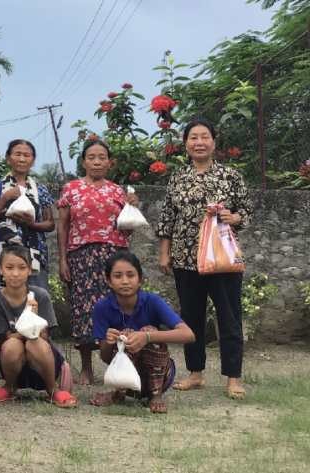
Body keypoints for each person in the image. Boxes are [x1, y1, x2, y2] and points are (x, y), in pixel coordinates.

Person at [156, 118, 252, 400]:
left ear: (213, 141)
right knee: (191, 318)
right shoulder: (178, 178)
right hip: (186, 260)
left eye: (204, 137)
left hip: (222, 259)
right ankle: (195, 373)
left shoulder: (231, 176)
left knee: (229, 317)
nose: (199, 142)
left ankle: (233, 377)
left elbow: (246, 211)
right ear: (185, 144)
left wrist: (234, 217)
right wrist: (165, 252)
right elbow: (168, 218)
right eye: (193, 137)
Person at [56, 139, 136, 385]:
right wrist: (62, 259)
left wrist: (133, 207)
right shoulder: (71, 189)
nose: (97, 161)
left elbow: (129, 228)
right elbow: (63, 225)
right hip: (81, 256)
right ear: (84, 162)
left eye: (102, 157)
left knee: (115, 308)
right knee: (83, 310)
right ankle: (86, 368)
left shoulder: (118, 191)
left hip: (113, 257)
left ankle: (117, 364)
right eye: (92, 157)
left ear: (109, 162)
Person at [90, 251, 195, 413]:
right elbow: (105, 358)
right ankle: (119, 393)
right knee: (126, 336)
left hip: (159, 377)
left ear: (140, 280)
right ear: (108, 281)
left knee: (148, 331)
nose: (125, 281)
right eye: (118, 276)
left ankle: (156, 396)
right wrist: (108, 342)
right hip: (124, 378)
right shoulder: (102, 307)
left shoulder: (152, 302)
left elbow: (188, 335)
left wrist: (147, 337)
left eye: (130, 275)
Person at [0, 245, 77, 407]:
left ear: (30, 270)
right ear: (1, 270)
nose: (15, 273)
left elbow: (44, 337)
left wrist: (34, 319)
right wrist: (26, 324)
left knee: (35, 342)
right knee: (12, 345)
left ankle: (52, 389)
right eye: (9, 268)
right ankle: (10, 387)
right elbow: (4, 339)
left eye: (22, 267)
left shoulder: (40, 295)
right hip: (13, 364)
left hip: (43, 362)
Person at [0, 139, 55, 290]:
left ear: (33, 160)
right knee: (5, 304)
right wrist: (5, 198)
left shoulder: (40, 189)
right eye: (17, 154)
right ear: (8, 158)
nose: (22, 159)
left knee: (35, 302)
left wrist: (31, 224)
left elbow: (50, 223)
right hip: (3, 256)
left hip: (34, 255)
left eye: (27, 155)